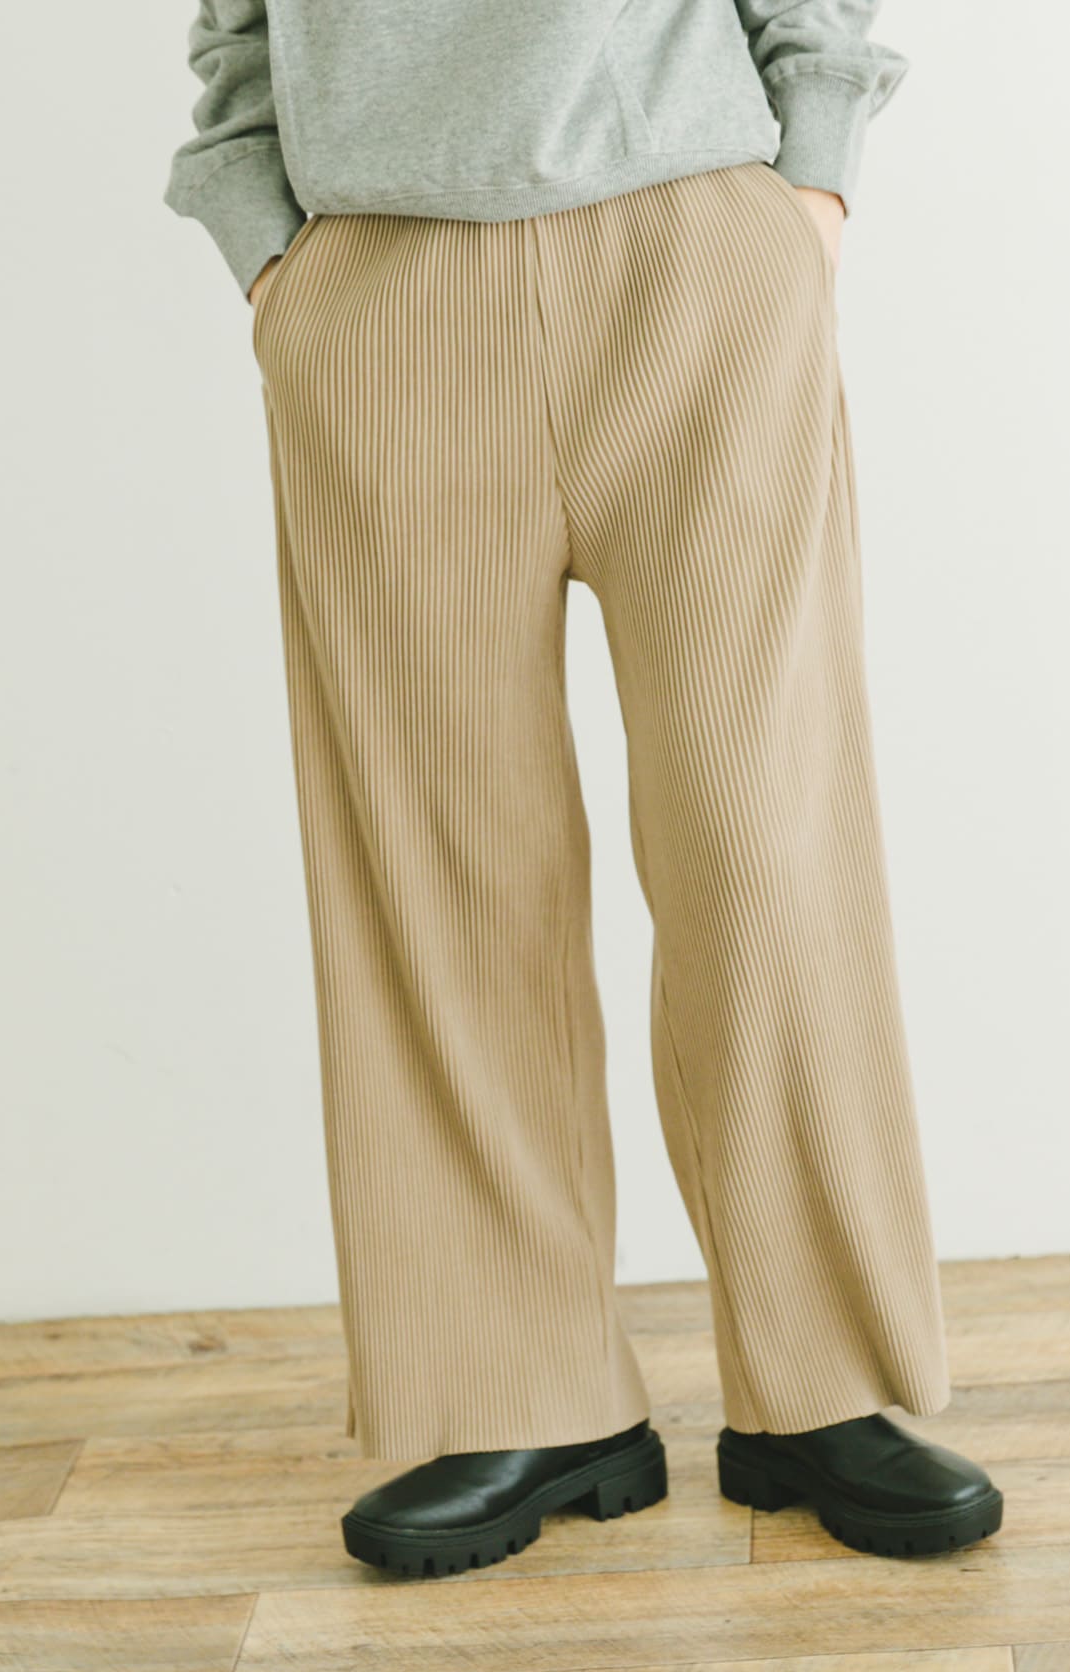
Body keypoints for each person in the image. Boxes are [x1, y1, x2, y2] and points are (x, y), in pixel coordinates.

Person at [164, 0, 1003, 1577]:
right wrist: (273, 257)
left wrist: (811, 185)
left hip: (691, 250)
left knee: (764, 838)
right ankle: (518, 1392)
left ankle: (819, 1385)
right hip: (381, 283)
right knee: (439, 864)